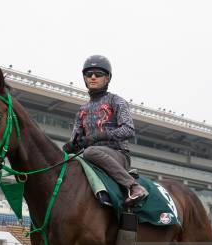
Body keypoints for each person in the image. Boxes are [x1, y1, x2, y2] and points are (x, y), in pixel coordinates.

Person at [63, 55, 148, 206]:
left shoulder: (116, 101)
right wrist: (71, 145)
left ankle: (134, 187)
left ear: (107, 78)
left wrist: (98, 136)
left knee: (89, 152)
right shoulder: (81, 111)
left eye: (98, 74)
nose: (93, 77)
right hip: (91, 156)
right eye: (89, 74)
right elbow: (76, 139)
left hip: (118, 154)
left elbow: (129, 130)